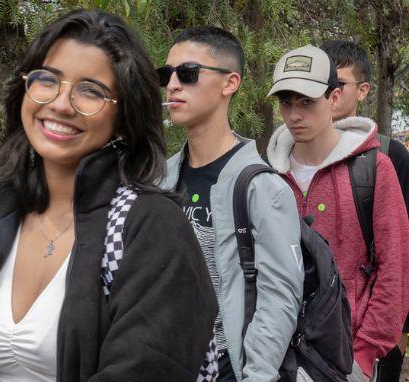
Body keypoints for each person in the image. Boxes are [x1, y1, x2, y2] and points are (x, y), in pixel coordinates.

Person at [0, 9, 217, 382]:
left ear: (124, 116)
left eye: (91, 91)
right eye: (47, 80)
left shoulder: (151, 229)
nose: (60, 104)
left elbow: (146, 367)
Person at [159, 26, 304, 381]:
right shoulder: (160, 179)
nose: (173, 84)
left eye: (188, 73)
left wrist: (256, 376)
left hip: (227, 368)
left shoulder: (262, 188)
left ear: (230, 83)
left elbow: (280, 298)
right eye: (167, 74)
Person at [266, 45, 409, 379]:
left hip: (346, 358)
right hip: (275, 358)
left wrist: (362, 356)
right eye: (286, 102)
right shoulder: (266, 175)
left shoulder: (374, 169)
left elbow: (395, 269)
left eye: (307, 101)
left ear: (332, 98)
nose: (295, 115)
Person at [321, 39, 409, 381]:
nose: (331, 93)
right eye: (324, 84)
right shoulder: (295, 158)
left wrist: (398, 329)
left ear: (363, 90)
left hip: (373, 330)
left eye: (339, 84)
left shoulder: (387, 157)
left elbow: (400, 249)